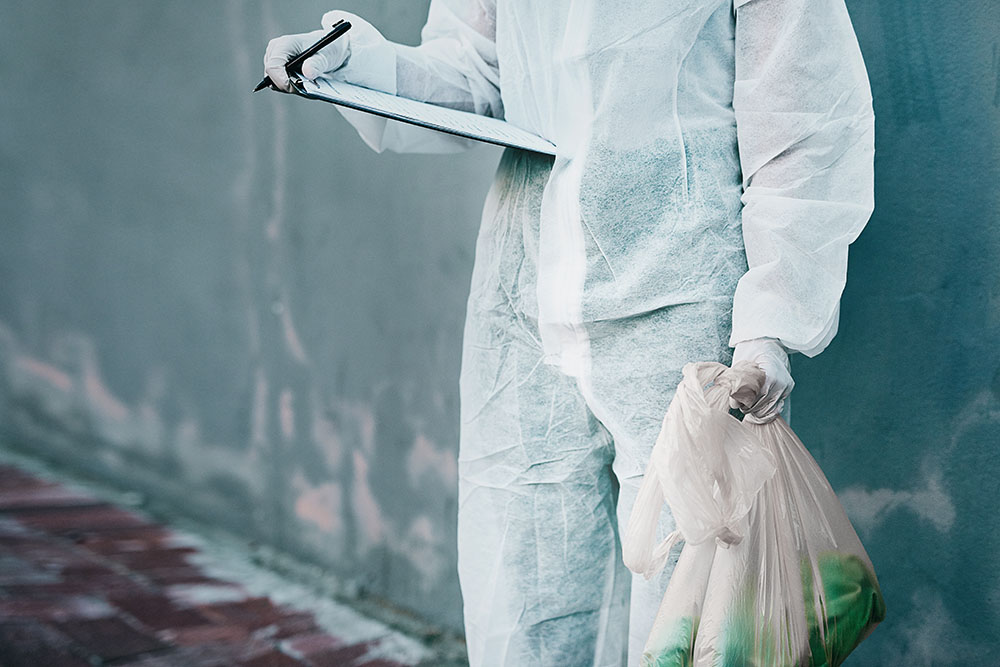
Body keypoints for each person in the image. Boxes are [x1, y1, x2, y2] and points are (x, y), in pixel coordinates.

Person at [263, 1, 874, 664]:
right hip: (526, 302)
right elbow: (471, 73)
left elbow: (802, 119)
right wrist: (350, 65)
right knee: (524, 599)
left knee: (689, 614)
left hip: (683, 304)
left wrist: (769, 323)